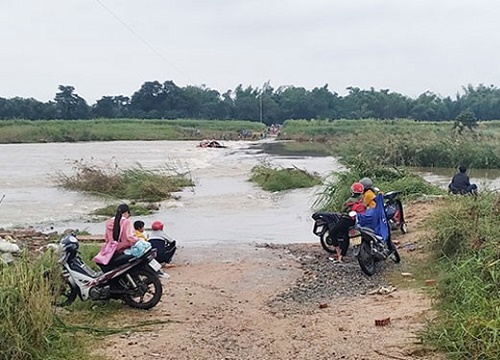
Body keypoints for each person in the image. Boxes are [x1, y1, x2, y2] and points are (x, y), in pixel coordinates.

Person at [328, 182, 367, 263]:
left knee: (332, 233)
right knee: (346, 236)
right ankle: (341, 255)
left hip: (347, 220)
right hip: (357, 220)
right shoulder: (363, 199)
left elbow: (343, 210)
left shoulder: (350, 200)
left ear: (352, 191)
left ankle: (339, 254)